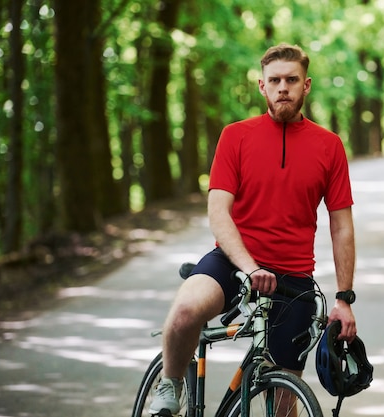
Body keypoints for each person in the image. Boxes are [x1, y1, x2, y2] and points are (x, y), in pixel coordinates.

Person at [149, 43, 358, 415]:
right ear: (262, 86)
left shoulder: (329, 146)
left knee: (282, 405)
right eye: (274, 80)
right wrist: (249, 266)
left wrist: (343, 298)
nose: (283, 88)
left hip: (293, 280)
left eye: (291, 80)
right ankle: (171, 381)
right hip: (232, 264)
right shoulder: (236, 136)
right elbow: (218, 213)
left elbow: (341, 226)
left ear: (306, 85)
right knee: (185, 312)